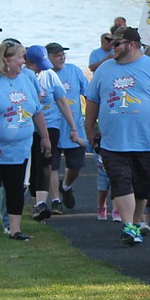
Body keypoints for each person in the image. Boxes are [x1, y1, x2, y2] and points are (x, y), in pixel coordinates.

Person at [84, 27, 150, 247]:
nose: (112, 48)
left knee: (141, 187)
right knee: (121, 182)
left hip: (147, 141)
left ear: (132, 44)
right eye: (110, 44)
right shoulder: (104, 70)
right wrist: (89, 129)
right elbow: (92, 100)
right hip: (113, 141)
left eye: (116, 44)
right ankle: (129, 226)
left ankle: (136, 223)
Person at [0, 39, 50, 241]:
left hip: (19, 146)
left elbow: (36, 110)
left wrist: (45, 137)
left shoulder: (27, 78)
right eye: (20, 57)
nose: (24, 61)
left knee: (15, 186)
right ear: (6, 59)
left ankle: (15, 229)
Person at [24, 45, 81, 222]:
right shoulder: (23, 76)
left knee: (45, 162)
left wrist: (73, 127)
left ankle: (42, 203)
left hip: (50, 124)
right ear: (29, 62)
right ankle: (36, 203)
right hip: (28, 126)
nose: (42, 68)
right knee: (32, 167)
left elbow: (62, 101)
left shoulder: (49, 75)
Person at [46, 43, 89, 214]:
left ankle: (66, 186)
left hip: (74, 129)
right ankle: (56, 200)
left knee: (76, 166)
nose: (62, 57)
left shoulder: (74, 71)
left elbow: (88, 93)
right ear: (47, 57)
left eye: (63, 54)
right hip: (52, 126)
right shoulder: (43, 75)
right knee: (52, 165)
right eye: (57, 55)